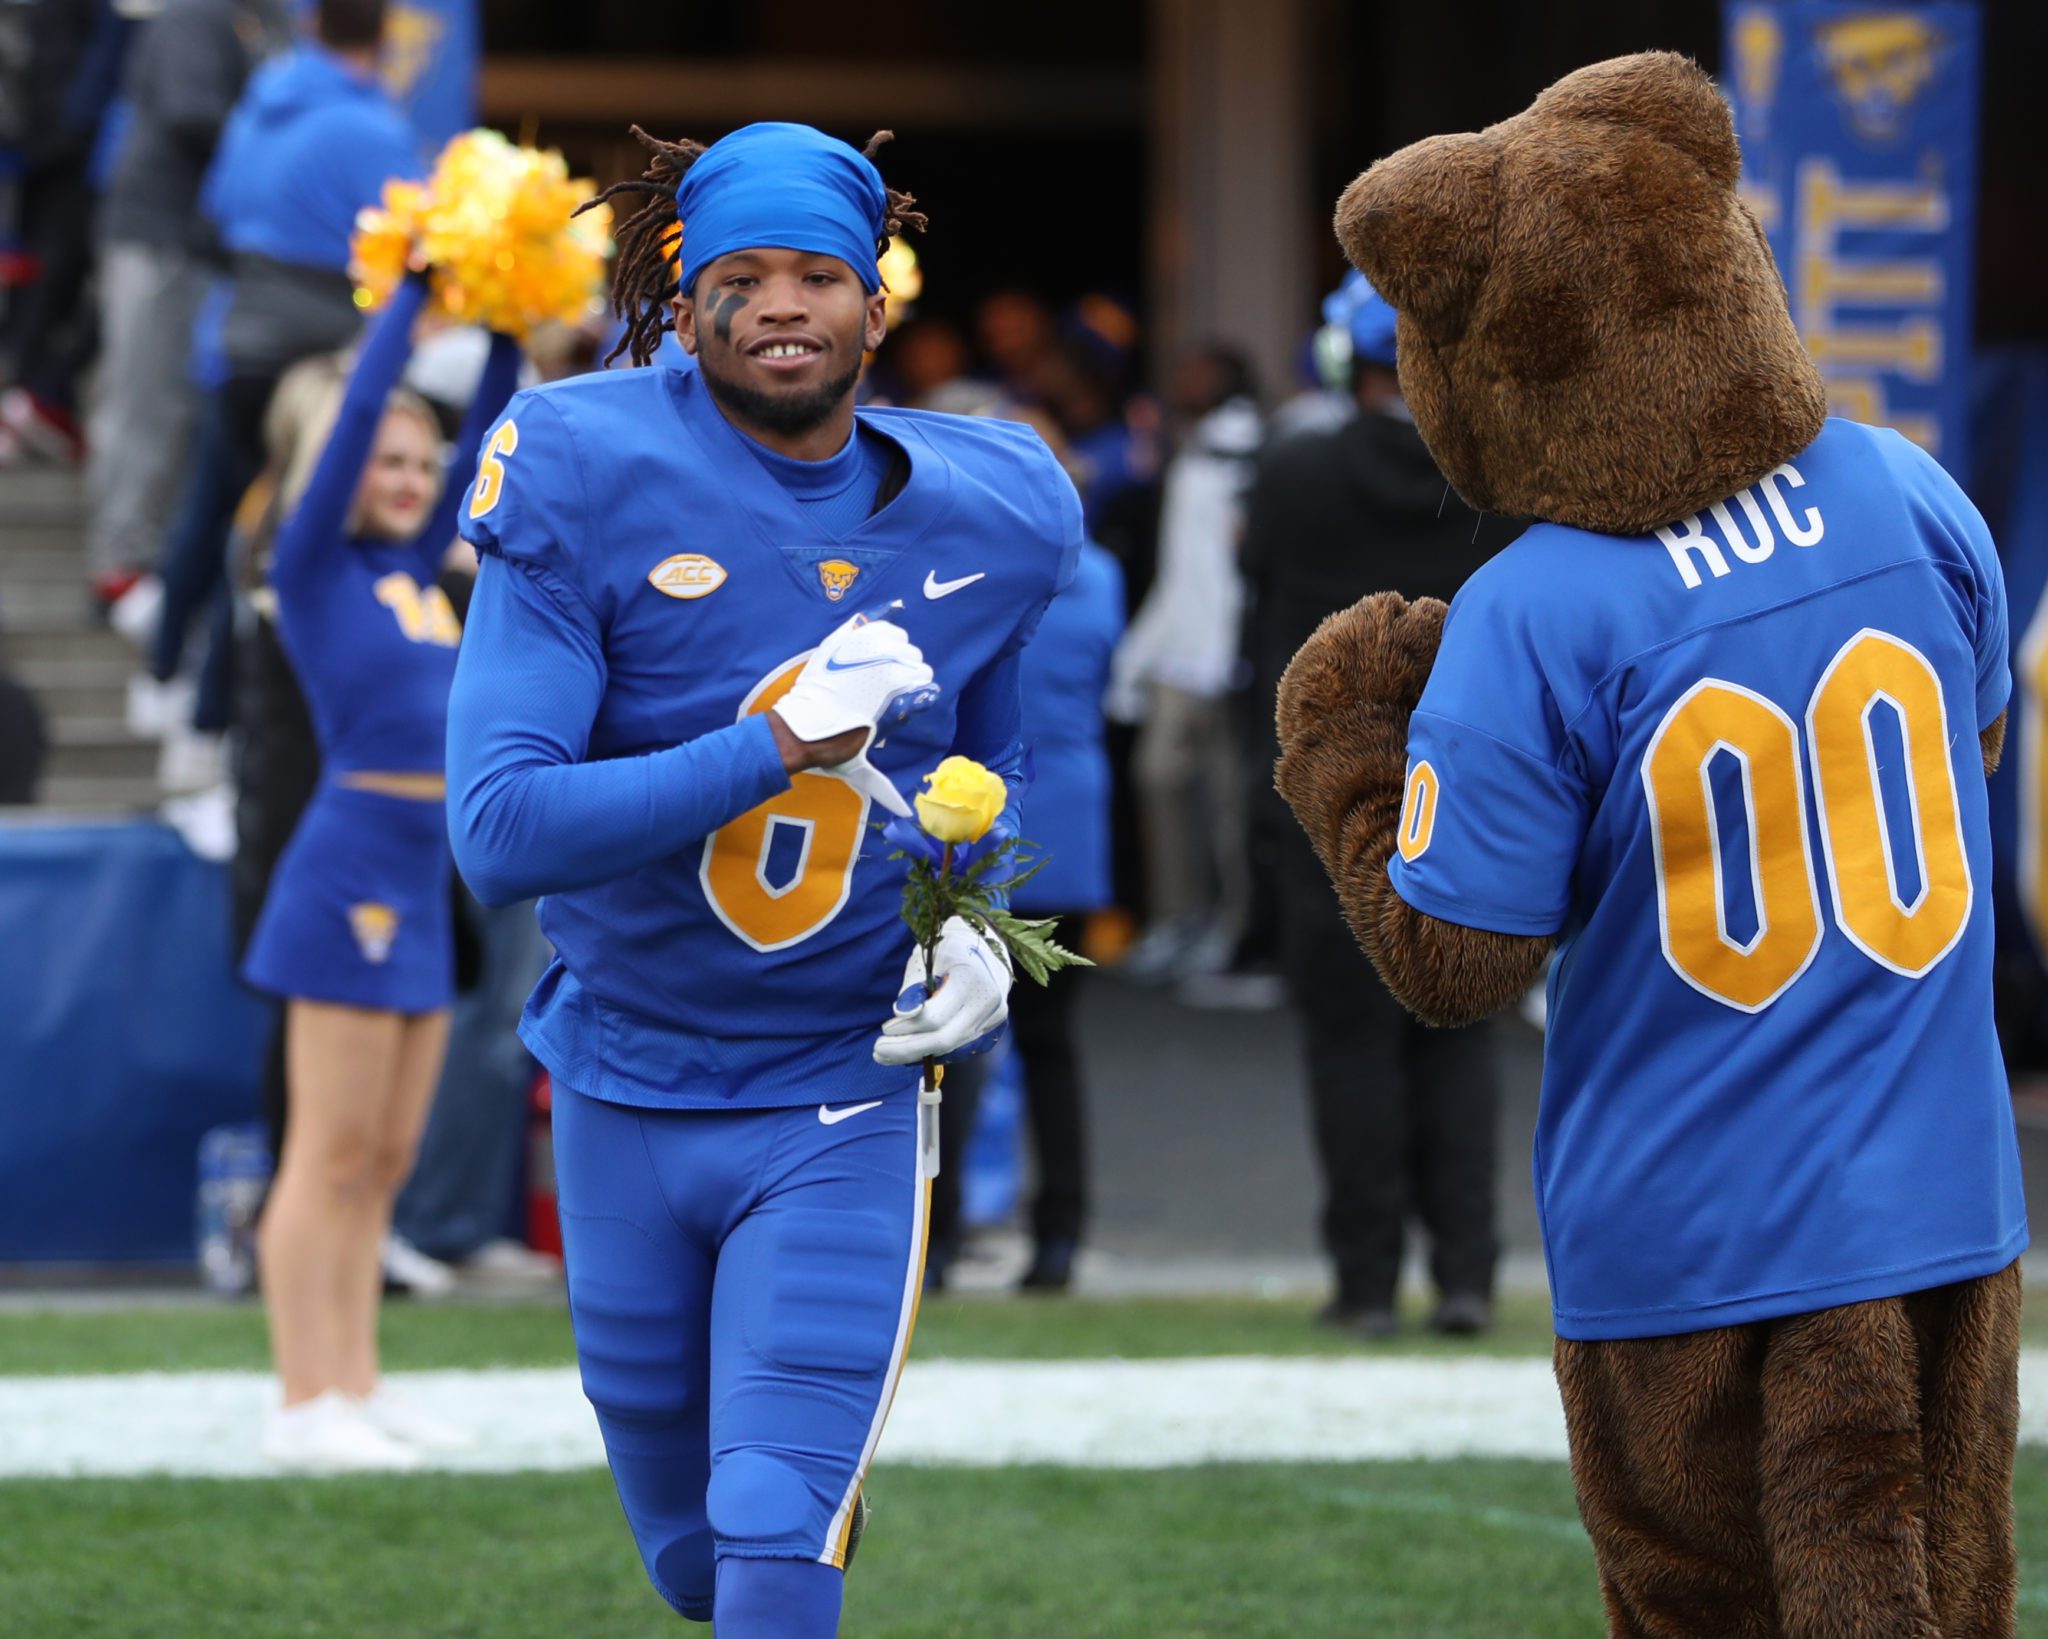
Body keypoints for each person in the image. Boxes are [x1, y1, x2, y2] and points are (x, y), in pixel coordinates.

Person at [446, 122, 1080, 1637]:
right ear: (684, 301)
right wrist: (776, 745)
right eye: (742, 277)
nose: (782, 303)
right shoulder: (586, 460)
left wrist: (976, 912)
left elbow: (979, 774)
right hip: (622, 1077)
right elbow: (500, 831)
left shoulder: (997, 505)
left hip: (839, 1089)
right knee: (688, 1549)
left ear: (879, 304)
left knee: (773, 1522)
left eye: (817, 275)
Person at [241, 266, 519, 1470]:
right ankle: (306, 1399)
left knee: (387, 1159)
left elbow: (484, 447)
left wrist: (505, 312)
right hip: (345, 864)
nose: (408, 479)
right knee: (327, 1151)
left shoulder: (418, 571)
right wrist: (409, 305)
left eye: (422, 464)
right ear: (336, 465)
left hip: (423, 872)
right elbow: (356, 410)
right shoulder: (310, 565)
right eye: (386, 459)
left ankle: (358, 1379)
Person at [1243, 276, 1517, 1337]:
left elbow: (1256, 619)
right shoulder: (1494, 478)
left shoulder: (1295, 470)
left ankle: (1363, 1283)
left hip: (1332, 794)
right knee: (1459, 1039)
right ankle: (1466, 1275)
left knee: (1348, 1044)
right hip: (1477, 797)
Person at [134, 0, 419, 785]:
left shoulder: (261, 102)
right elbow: (415, 252)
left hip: (233, 348)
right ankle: (207, 731)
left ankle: (163, 684)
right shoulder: (375, 129)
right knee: (272, 549)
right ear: (385, 37)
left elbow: (219, 212)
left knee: (216, 520)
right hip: (306, 364)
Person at [86, 0, 290, 595]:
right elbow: (190, 114)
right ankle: (121, 562)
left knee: (183, 407)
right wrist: (278, 145)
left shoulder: (272, 19)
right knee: (144, 399)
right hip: (155, 237)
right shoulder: (194, 14)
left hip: (211, 246)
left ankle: (158, 559)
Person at [1111, 343, 1261, 981]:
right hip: (1182, 657)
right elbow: (1180, 575)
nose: (1182, 377)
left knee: (1234, 808)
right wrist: (1141, 655)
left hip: (1233, 659)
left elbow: (1242, 571)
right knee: (1162, 781)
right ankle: (1181, 917)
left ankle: (1235, 932)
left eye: (1195, 370)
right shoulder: (1190, 452)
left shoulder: (1253, 449)